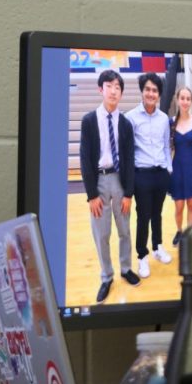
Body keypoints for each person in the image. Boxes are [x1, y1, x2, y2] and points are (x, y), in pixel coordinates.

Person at [77, 70, 140, 303]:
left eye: (118, 87)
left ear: (121, 93)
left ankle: (126, 269)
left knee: (124, 229)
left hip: (120, 180)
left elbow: (130, 159)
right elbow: (84, 158)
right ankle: (106, 276)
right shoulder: (89, 120)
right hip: (99, 180)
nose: (114, 90)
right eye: (109, 86)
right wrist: (91, 194)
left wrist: (129, 193)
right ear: (100, 89)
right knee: (101, 233)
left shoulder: (125, 123)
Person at [125, 72, 173, 278]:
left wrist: (168, 169)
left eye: (155, 90)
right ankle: (142, 256)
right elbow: (127, 151)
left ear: (159, 94)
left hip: (160, 173)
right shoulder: (130, 117)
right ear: (142, 91)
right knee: (143, 216)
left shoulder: (163, 118)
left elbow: (165, 145)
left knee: (157, 214)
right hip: (141, 175)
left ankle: (157, 247)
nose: (151, 93)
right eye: (148, 89)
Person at [169, 86, 192, 245]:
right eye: (183, 98)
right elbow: (167, 148)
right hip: (177, 169)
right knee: (179, 206)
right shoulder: (171, 123)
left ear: (191, 101)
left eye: (188, 98)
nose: (185, 101)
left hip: (191, 169)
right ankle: (179, 231)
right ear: (177, 99)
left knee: (191, 204)